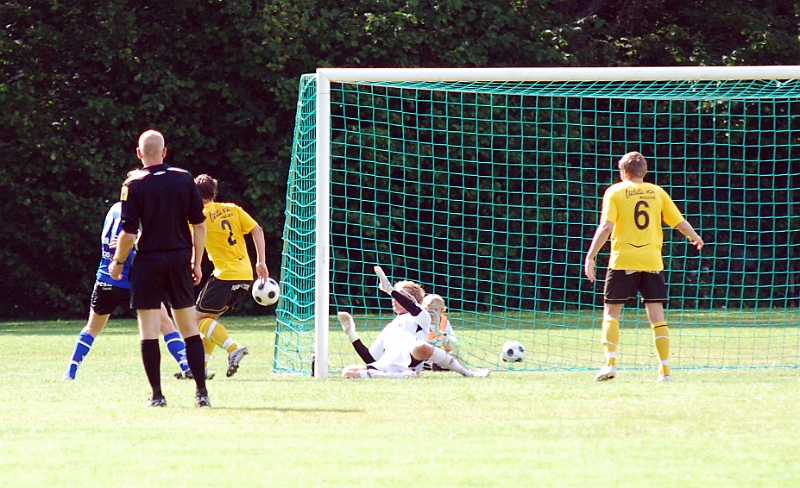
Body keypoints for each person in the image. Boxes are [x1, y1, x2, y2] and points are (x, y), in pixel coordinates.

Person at [109, 129, 211, 407]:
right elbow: (199, 225)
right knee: (189, 328)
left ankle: (157, 395)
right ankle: (201, 394)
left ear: (139, 153)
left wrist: (118, 262)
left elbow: (129, 233)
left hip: (148, 262)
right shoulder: (184, 178)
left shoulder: (133, 184)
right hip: (179, 259)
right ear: (164, 152)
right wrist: (196, 261)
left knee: (149, 331)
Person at [584, 151, 704, 382]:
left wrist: (591, 256)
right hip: (651, 261)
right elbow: (679, 222)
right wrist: (695, 236)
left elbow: (606, 226)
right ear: (644, 171)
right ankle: (665, 371)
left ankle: (610, 364)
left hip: (623, 259)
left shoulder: (615, 192)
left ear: (623, 172)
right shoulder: (657, 192)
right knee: (657, 316)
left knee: (612, 312)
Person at [62, 202, 191, 381]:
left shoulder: (115, 208)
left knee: (92, 327)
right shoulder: (138, 213)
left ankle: (70, 372)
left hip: (106, 277)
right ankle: (187, 367)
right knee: (166, 324)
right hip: (132, 279)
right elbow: (130, 242)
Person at [185, 174, 269, 379]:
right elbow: (257, 229)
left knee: (195, 320)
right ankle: (202, 368)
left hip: (225, 276)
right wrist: (261, 261)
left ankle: (234, 348)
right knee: (209, 320)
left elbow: (193, 239)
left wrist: (195, 264)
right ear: (214, 192)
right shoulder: (233, 209)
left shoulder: (198, 215)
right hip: (245, 276)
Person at [338, 267, 489, 379]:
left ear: (411, 299)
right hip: (387, 367)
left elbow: (412, 307)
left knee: (420, 346)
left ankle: (468, 373)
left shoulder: (422, 316)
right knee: (348, 371)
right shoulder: (390, 327)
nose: (393, 299)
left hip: (410, 362)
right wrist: (352, 335)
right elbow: (370, 358)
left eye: (398, 296)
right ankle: (398, 377)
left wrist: (391, 290)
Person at [422, 293, 458, 371]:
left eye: (436, 309)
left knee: (449, 358)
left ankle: (443, 365)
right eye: (430, 309)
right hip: (423, 352)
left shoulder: (444, 321)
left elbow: (452, 339)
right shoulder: (421, 321)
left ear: (441, 311)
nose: (432, 312)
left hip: (438, 352)